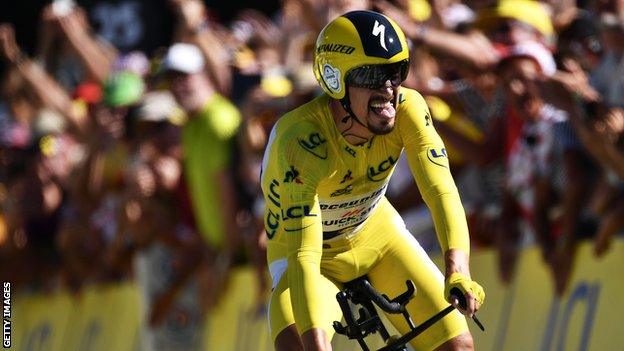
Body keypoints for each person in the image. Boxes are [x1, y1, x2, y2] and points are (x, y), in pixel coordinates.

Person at [260, 10, 485, 351]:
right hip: (312, 257)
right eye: (371, 75)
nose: (389, 88)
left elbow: (441, 191)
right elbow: (304, 256)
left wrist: (458, 270)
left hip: (376, 236)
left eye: (396, 72)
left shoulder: (410, 108)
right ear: (335, 80)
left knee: (458, 347)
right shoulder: (303, 142)